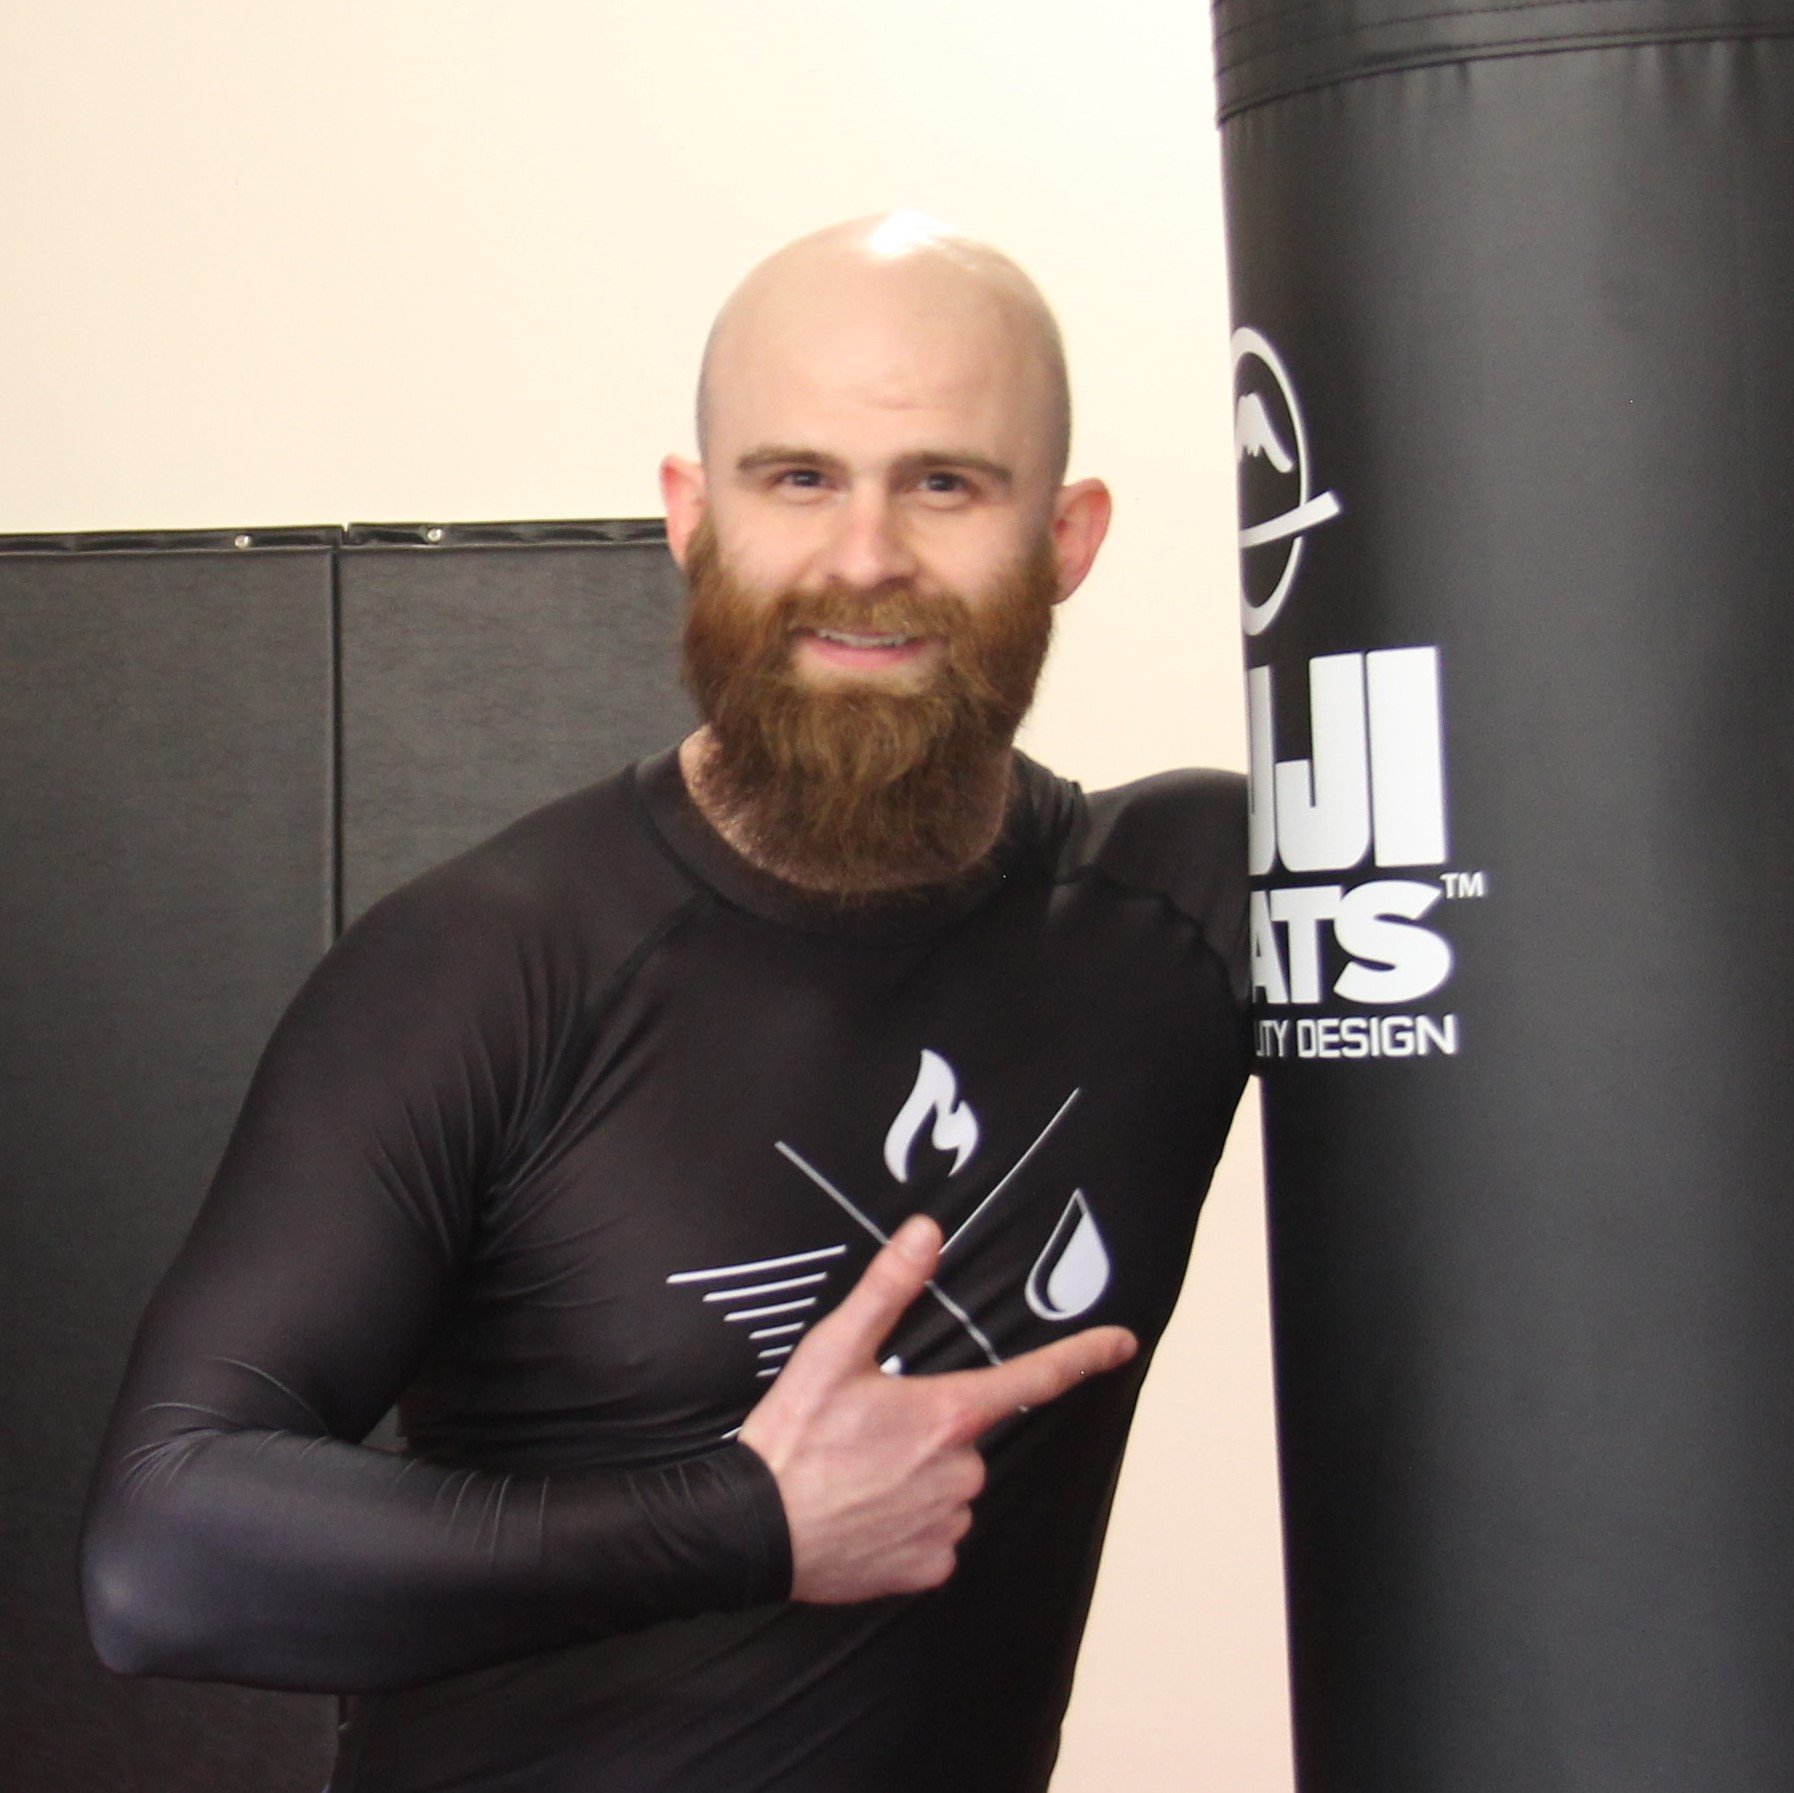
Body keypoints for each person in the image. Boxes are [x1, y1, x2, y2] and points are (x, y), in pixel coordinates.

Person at [81, 213, 1251, 1792]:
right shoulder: (488, 965)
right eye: (797, 478)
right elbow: (167, 1549)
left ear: (1067, 533)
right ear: (692, 519)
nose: (863, 555)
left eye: (946, 482)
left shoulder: (1184, 911)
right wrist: (746, 1522)